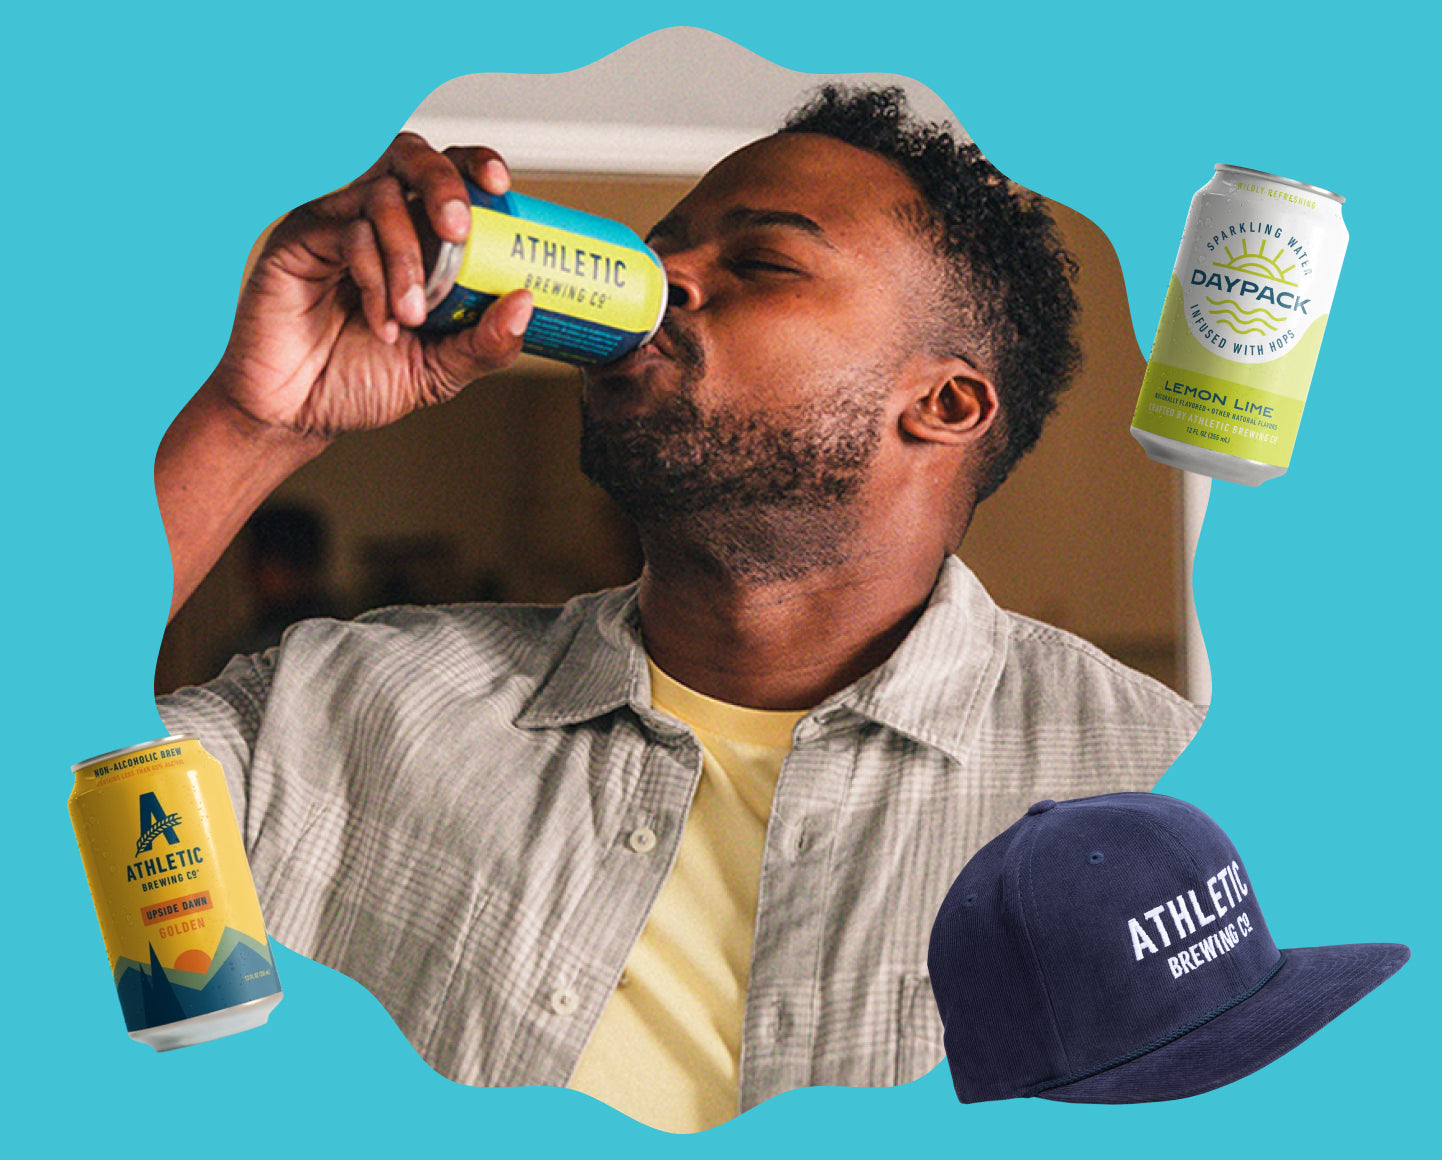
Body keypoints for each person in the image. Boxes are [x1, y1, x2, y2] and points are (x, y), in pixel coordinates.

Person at [156, 85, 1204, 1132]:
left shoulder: (1151, 789)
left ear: (942, 405)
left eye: (760, 261)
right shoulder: (330, 707)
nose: (663, 283)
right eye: (659, 250)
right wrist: (255, 419)